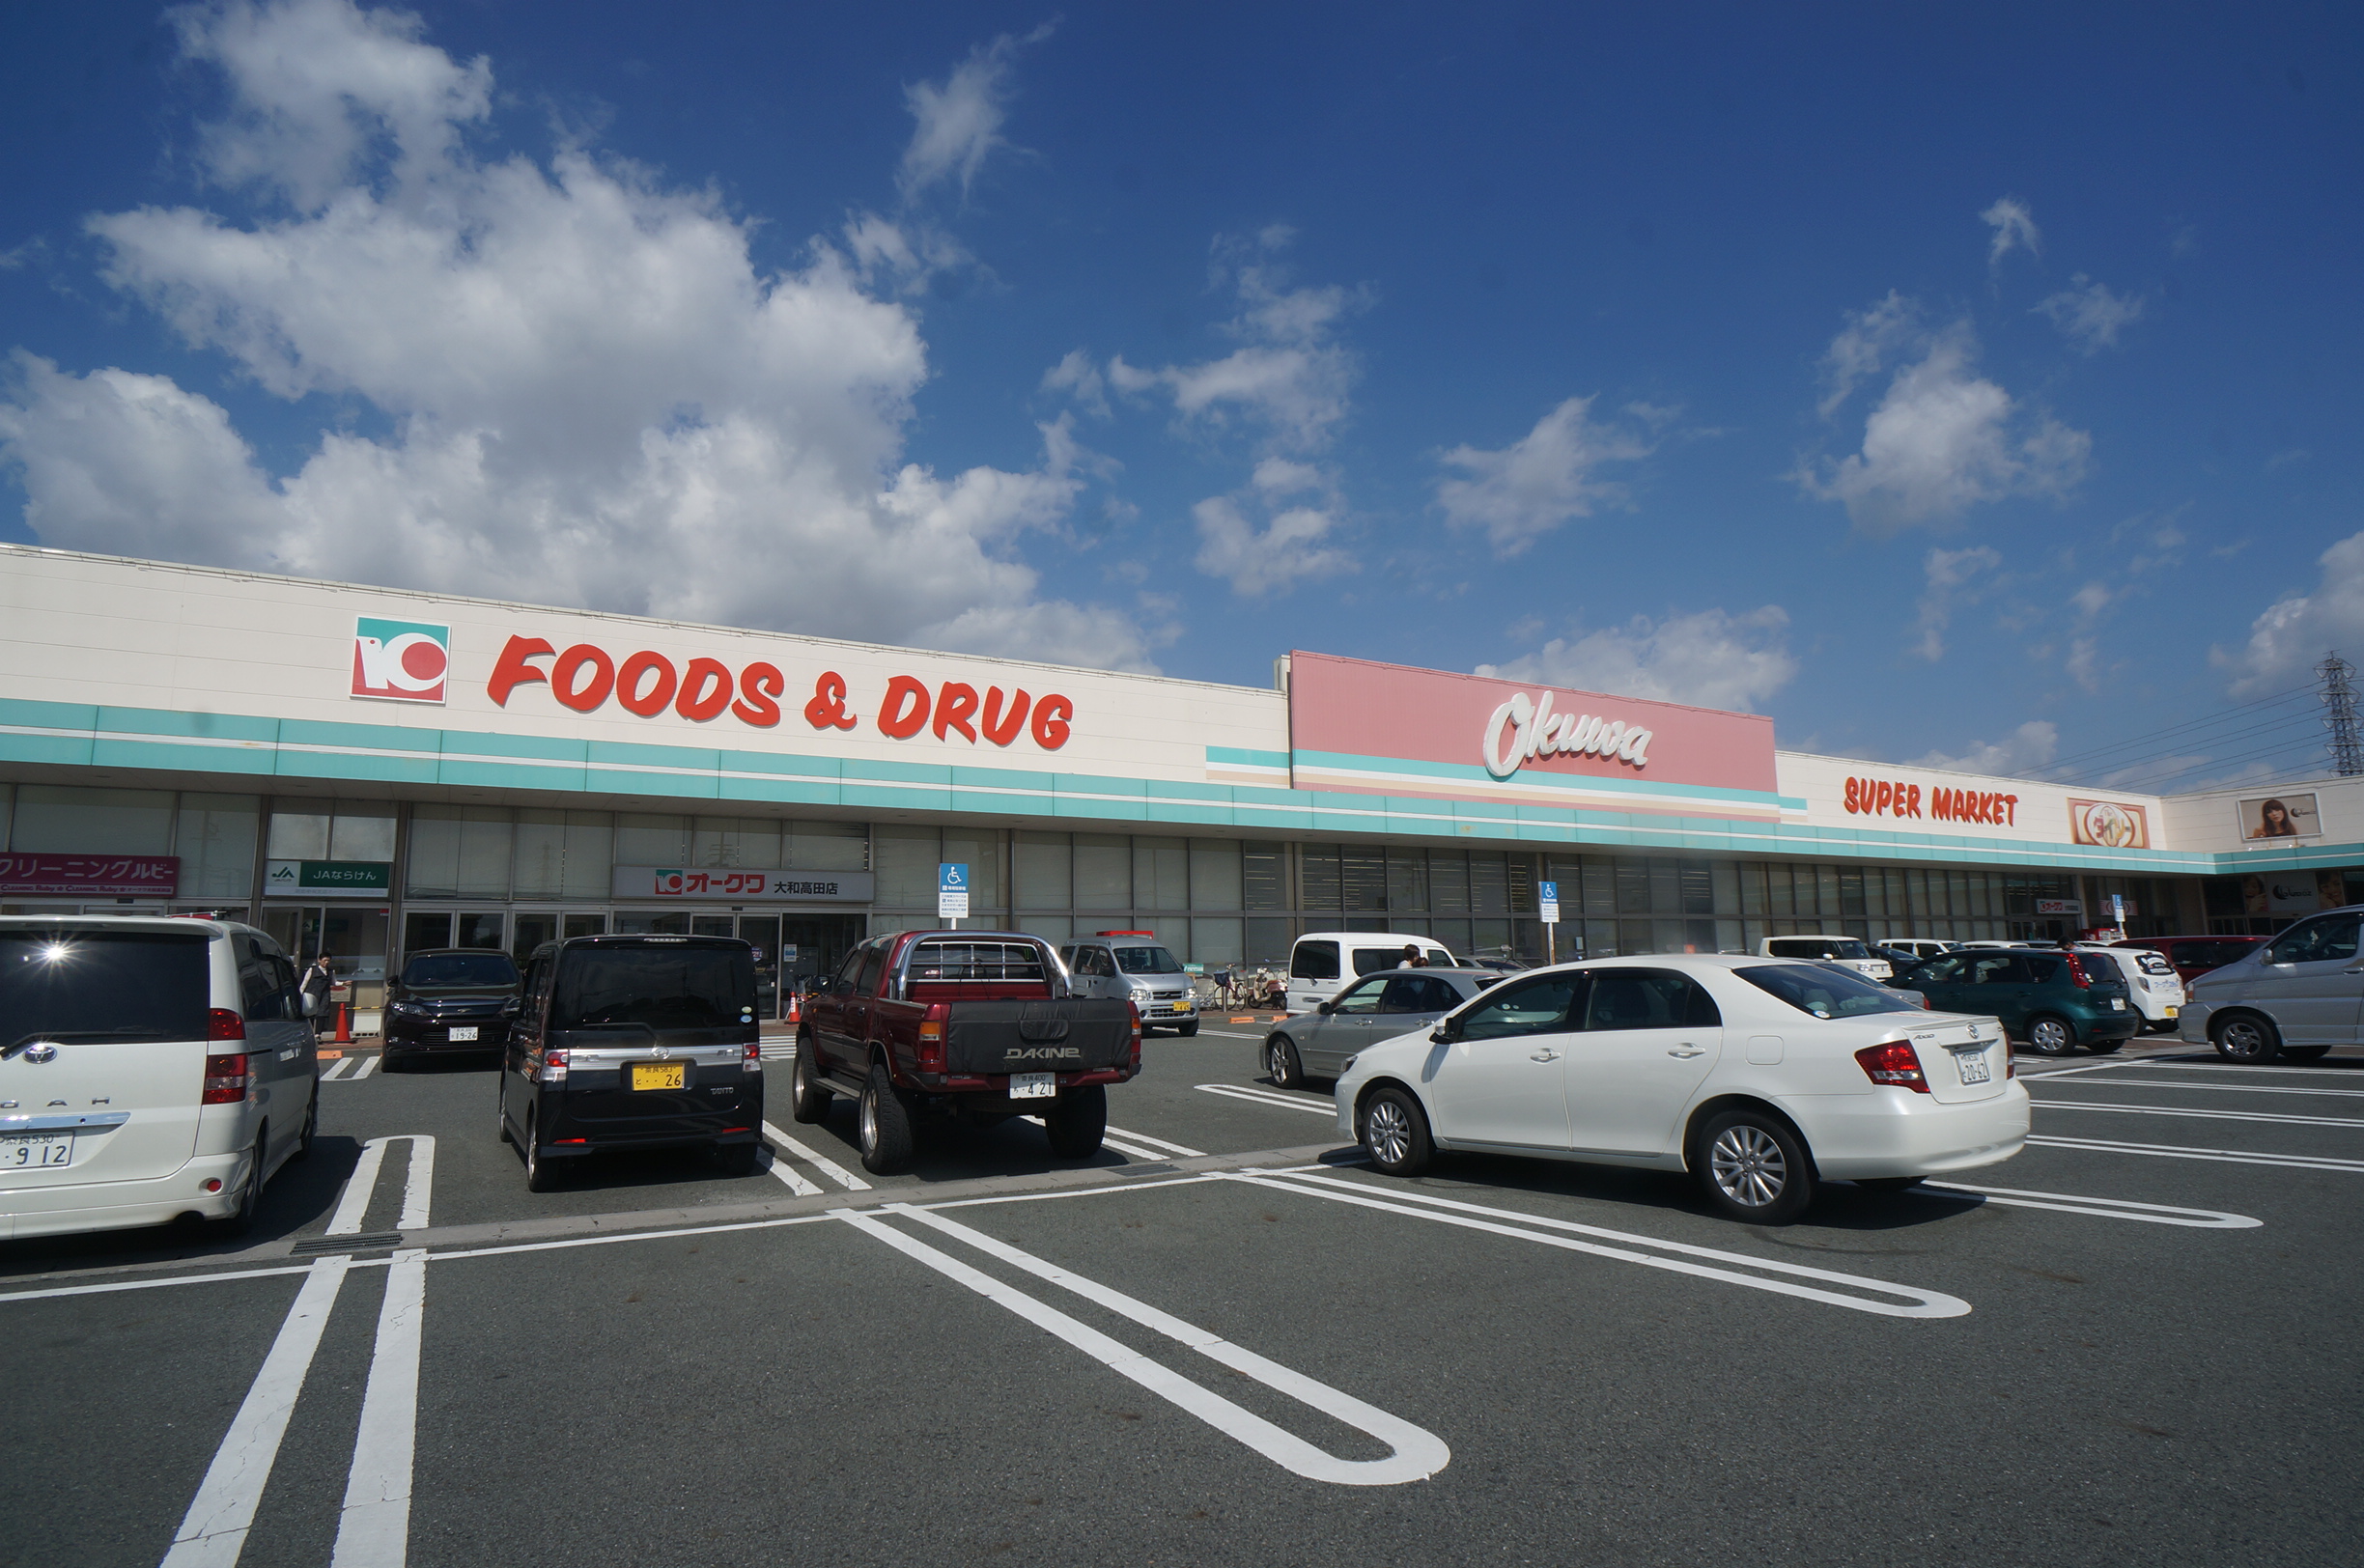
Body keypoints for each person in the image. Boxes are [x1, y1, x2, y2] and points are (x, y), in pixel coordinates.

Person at [300, 953, 334, 1019]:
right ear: (319, 960)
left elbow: (334, 982)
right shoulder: (312, 970)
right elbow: (305, 982)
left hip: (324, 995)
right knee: (310, 1012)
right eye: (325, 960)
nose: (326, 962)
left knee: (323, 1013)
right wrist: (300, 993)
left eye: (328, 960)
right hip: (312, 994)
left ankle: (320, 1025)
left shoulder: (331, 971)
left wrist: (343, 983)